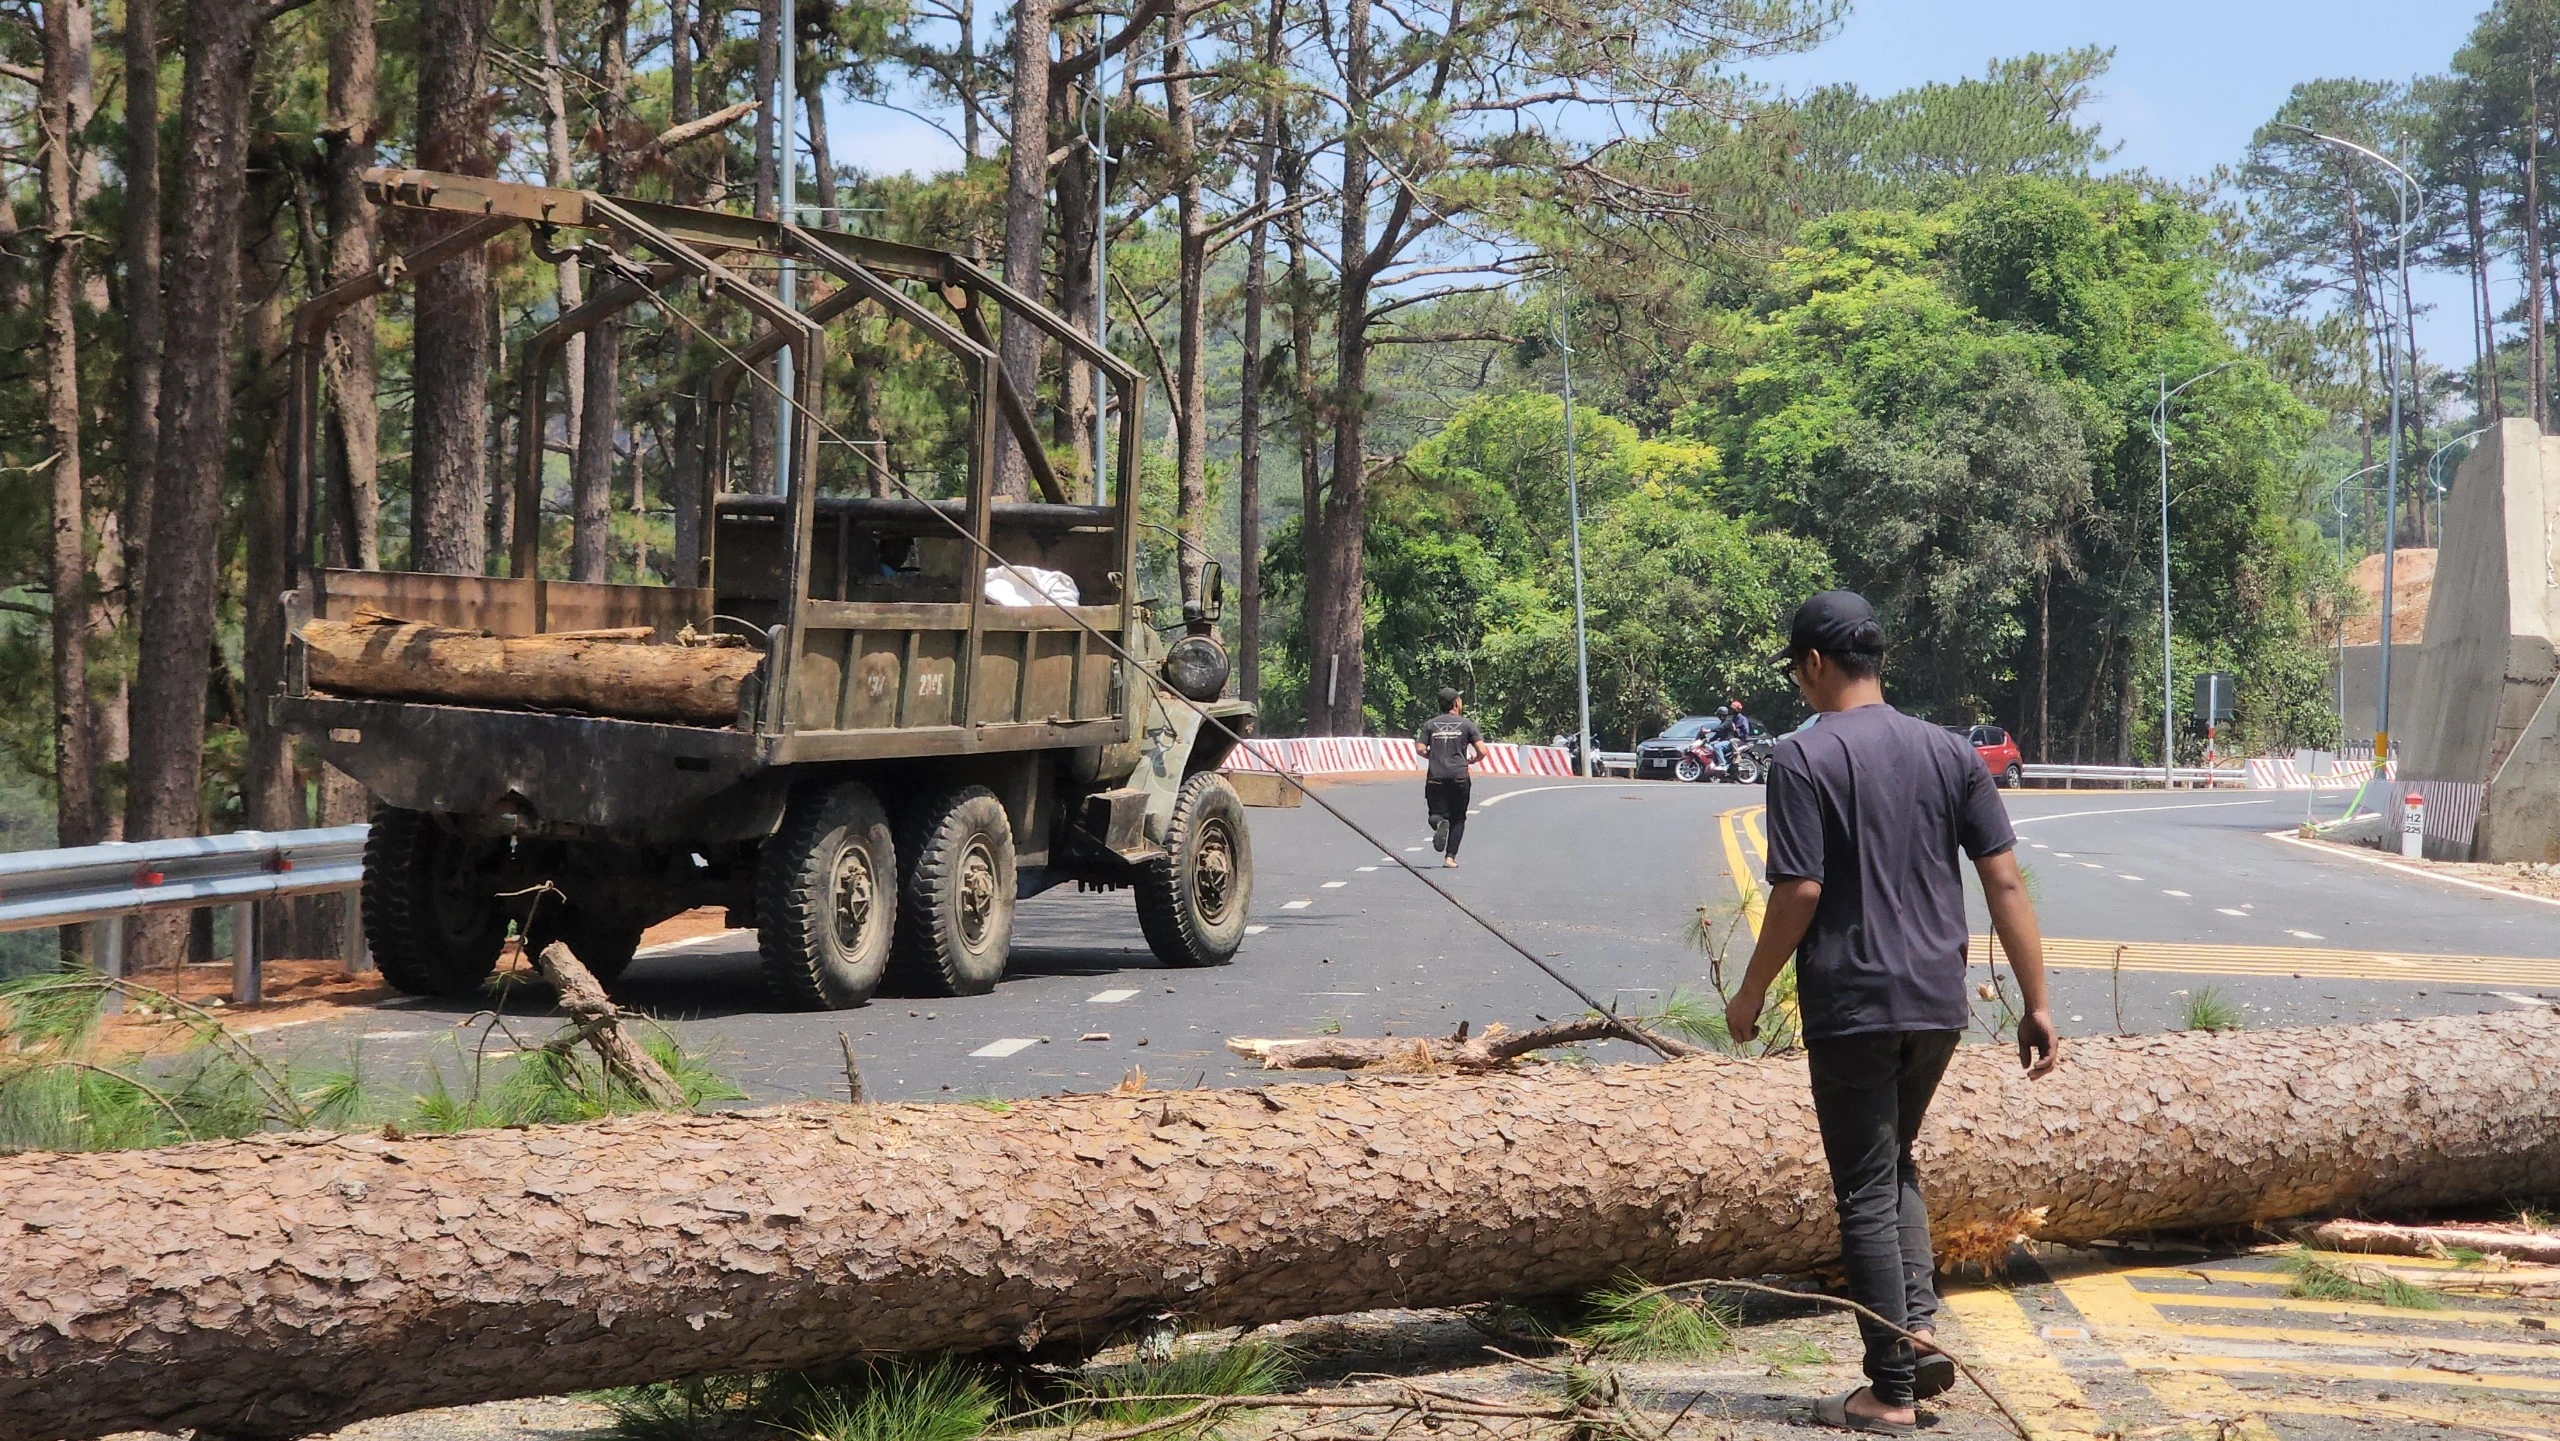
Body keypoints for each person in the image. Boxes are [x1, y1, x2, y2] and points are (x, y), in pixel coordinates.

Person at [1723, 590, 2061, 1435]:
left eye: (1797, 672)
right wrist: (2038, 1002)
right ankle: (1917, 1329)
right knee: (1895, 1160)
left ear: (1813, 664)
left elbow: (1800, 888)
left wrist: (1753, 988)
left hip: (1853, 1002)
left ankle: (1891, 1391)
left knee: (1865, 1186)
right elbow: (2005, 880)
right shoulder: (1950, 753)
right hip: (1937, 1004)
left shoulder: (1803, 759)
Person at [1413, 688, 1486, 867]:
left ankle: (1439, 823)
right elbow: (1482, 751)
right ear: (1456, 703)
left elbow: (1420, 748)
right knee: (1458, 818)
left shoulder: (1430, 725)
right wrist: (1474, 759)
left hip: (1436, 777)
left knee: (1435, 814)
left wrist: (1434, 755)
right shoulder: (1467, 724)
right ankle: (1450, 858)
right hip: (1459, 777)